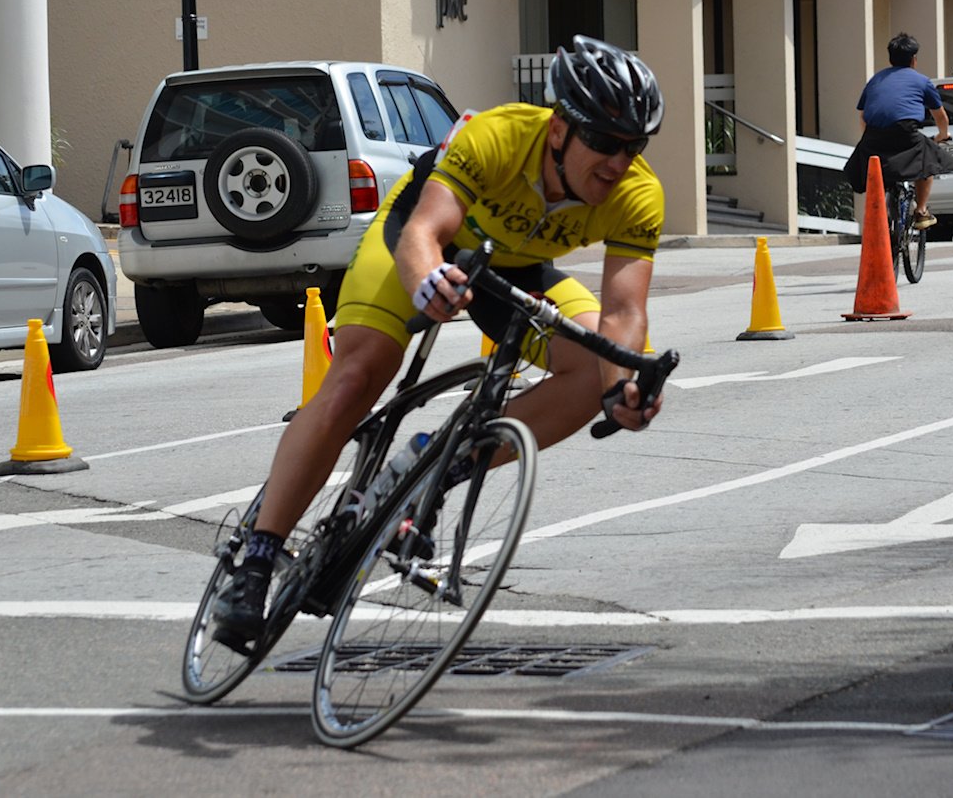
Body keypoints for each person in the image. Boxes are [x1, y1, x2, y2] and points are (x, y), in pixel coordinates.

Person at [212, 35, 667, 650]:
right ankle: (257, 561)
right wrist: (427, 281)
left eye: (634, 146)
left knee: (595, 368)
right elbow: (425, 230)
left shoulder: (638, 194)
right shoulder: (498, 136)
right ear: (560, 129)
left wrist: (624, 389)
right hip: (421, 242)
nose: (619, 163)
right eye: (607, 143)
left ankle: (438, 463)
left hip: (515, 269)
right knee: (354, 378)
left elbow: (622, 312)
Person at [844, 32, 953, 229]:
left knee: (875, 169)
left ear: (890, 58)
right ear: (914, 59)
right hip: (905, 132)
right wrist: (942, 135)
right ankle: (921, 211)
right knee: (926, 163)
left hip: (874, 135)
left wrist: (868, 138)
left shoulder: (875, 80)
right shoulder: (921, 81)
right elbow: (940, 117)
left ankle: (879, 214)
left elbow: (862, 115)